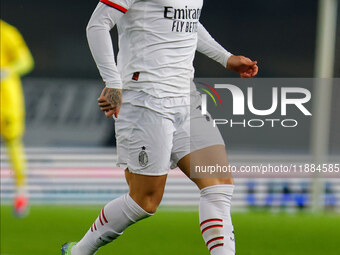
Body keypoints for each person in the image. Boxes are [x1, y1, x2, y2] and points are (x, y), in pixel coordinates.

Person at [62, 0, 258, 254]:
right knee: (145, 201)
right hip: (146, 99)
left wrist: (226, 58)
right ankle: (79, 251)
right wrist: (113, 82)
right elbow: (98, 24)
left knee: (219, 185)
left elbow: (186, 22)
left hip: (186, 98)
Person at [0, 20, 34, 217]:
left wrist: (6, 71)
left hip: (6, 98)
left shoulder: (7, 32)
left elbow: (26, 61)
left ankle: (21, 194)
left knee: (13, 142)